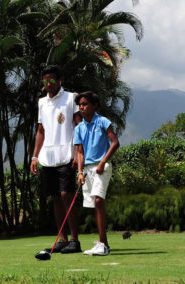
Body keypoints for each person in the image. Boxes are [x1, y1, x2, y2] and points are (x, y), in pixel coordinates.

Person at [30, 65, 82, 254]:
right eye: (45, 81)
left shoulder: (71, 98)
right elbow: (41, 130)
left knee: (66, 195)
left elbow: (79, 125)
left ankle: (75, 240)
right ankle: (62, 239)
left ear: (60, 80)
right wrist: (35, 156)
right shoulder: (42, 102)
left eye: (52, 80)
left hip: (67, 154)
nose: (48, 84)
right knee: (55, 197)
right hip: (48, 157)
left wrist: (78, 152)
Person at [74, 91, 120, 256]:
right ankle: (102, 243)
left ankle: (103, 245)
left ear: (94, 105)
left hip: (102, 166)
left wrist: (102, 162)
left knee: (99, 201)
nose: (82, 107)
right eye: (80, 105)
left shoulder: (102, 121)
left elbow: (115, 143)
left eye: (85, 104)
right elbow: (79, 152)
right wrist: (79, 172)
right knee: (94, 204)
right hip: (86, 170)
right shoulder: (79, 127)